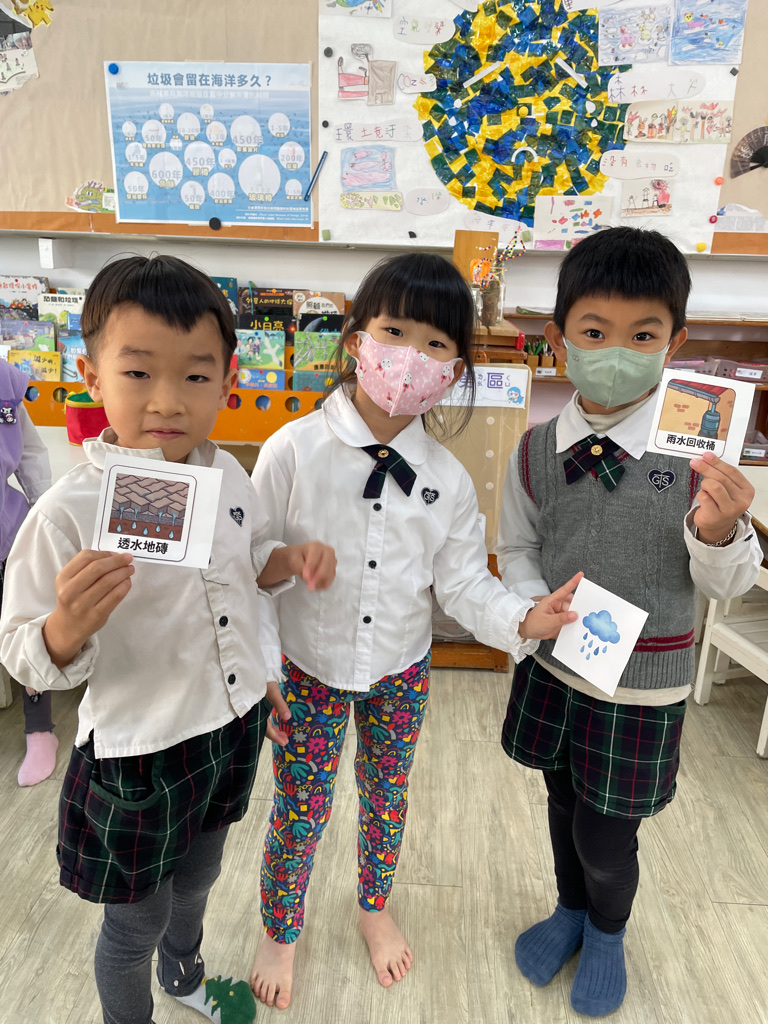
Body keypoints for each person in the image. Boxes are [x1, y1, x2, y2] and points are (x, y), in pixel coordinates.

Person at [0, 254, 335, 1024]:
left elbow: (244, 570)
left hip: (226, 729)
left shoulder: (231, 480)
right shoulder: (68, 512)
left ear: (227, 382)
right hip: (139, 751)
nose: (167, 400)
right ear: (91, 375)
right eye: (138, 372)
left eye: (194, 375)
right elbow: (19, 646)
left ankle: (185, 974)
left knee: (201, 876)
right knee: (133, 923)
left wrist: (285, 564)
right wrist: (64, 628)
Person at [249, 252, 583, 1010]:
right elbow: (248, 568)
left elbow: (462, 582)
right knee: (299, 806)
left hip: (401, 669)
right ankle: (280, 928)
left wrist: (522, 618)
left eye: (436, 343)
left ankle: (374, 906)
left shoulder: (447, 479)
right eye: (395, 331)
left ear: (454, 370)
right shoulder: (292, 450)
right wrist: (274, 615)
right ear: (356, 340)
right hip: (306, 666)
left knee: (387, 797)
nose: (411, 356)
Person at [497, 226, 762, 1018]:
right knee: (561, 801)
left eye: (642, 335)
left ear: (674, 342)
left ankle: (607, 930)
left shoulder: (699, 455)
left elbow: (728, 582)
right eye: (593, 332)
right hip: (557, 666)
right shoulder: (534, 451)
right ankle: (568, 910)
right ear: (558, 341)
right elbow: (518, 548)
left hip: (643, 686)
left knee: (609, 833)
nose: (616, 351)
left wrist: (720, 531)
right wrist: (529, 611)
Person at [0, 357, 56, 786]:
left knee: (28, 627)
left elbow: (32, 452)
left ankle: (39, 729)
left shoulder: (4, 380)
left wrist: (45, 514)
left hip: (8, 532)